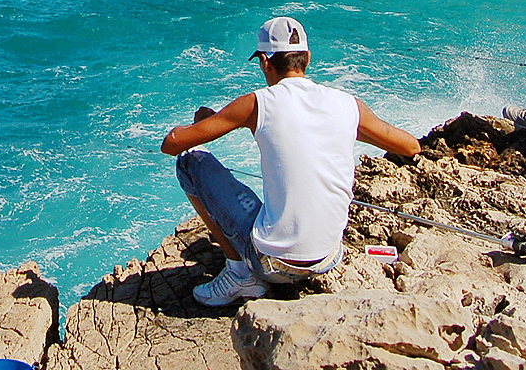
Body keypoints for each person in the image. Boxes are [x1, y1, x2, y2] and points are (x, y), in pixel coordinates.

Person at [160, 16, 422, 307]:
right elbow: (410, 146)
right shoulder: (348, 104)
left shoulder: (256, 103)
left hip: (272, 265)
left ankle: (239, 275)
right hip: (327, 258)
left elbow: (172, 144)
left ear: (265, 62)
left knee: (189, 161)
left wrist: (205, 121)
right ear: (307, 58)